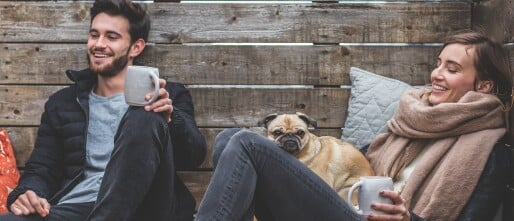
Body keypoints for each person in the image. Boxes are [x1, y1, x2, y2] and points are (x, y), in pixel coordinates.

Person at [194, 31, 513, 221]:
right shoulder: (413, 119)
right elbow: (360, 162)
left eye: (452, 68)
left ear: (483, 86)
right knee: (229, 138)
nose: (436, 74)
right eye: (438, 63)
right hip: (348, 207)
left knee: (246, 142)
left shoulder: (489, 148)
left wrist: (407, 218)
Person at [1, 0, 206, 220]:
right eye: (94, 34)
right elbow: (42, 169)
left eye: (111, 37)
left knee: (145, 115)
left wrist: (170, 119)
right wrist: (27, 193)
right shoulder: (62, 104)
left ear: (136, 47)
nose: (99, 44)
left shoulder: (168, 95)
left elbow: (194, 156)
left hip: (144, 208)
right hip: (77, 209)